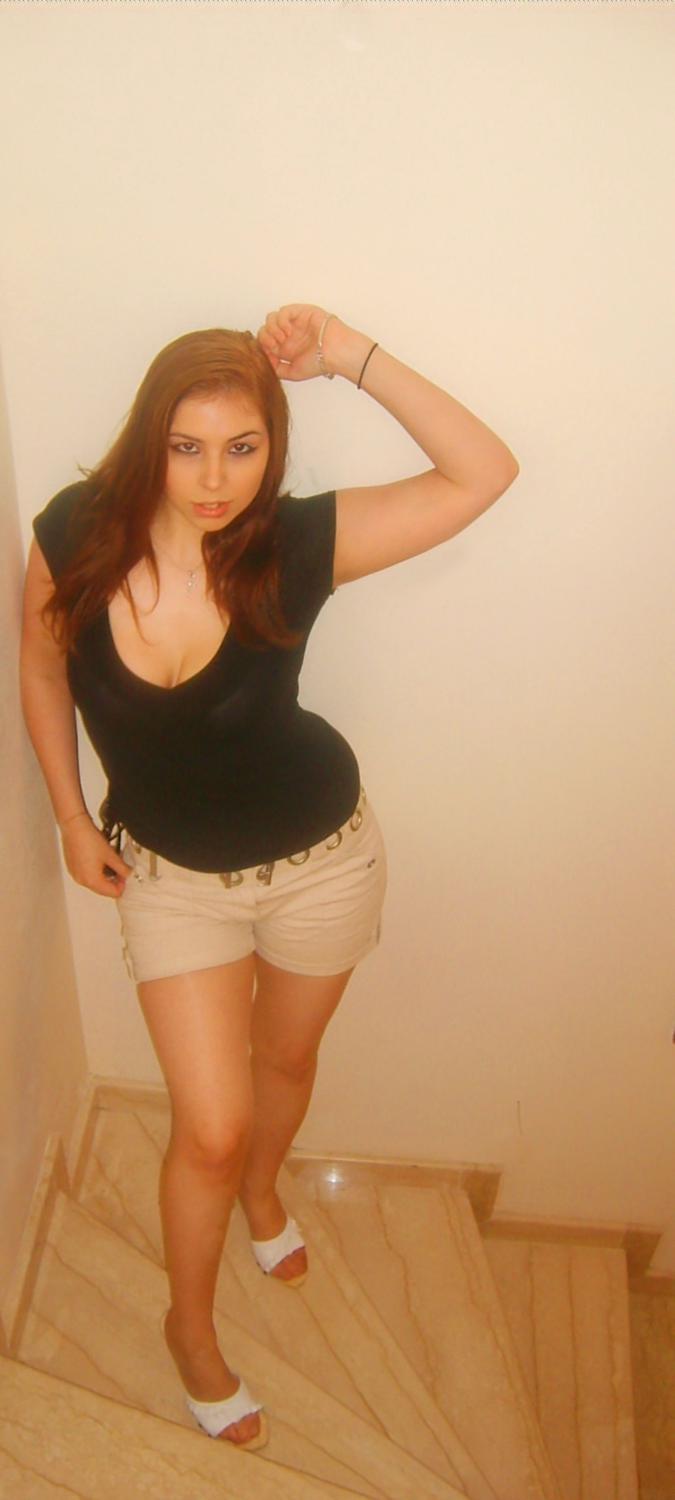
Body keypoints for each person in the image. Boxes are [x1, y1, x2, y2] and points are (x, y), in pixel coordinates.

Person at [20, 303, 519, 1450]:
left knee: (286, 1061)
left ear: (272, 448)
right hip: (173, 878)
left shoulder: (294, 543)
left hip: (321, 861)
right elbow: (41, 668)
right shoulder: (75, 533)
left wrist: (349, 355)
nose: (214, 479)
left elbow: (483, 472)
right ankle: (190, 1328)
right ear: (150, 438)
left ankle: (262, 1193)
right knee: (208, 1124)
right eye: (187, 446)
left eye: (242, 448)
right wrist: (67, 816)